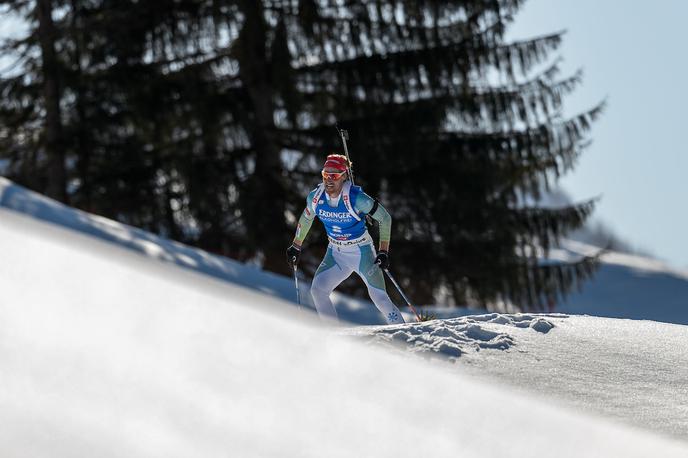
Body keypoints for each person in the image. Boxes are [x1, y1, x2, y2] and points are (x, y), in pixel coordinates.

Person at [286, 154, 405, 325]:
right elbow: (306, 218)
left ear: (344, 176)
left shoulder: (357, 198)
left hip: (361, 252)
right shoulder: (316, 197)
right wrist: (296, 246)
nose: (329, 180)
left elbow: (384, 218)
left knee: (380, 299)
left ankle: (406, 335)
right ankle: (332, 336)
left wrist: (383, 251)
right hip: (335, 253)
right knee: (318, 290)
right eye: (325, 175)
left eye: (334, 175)